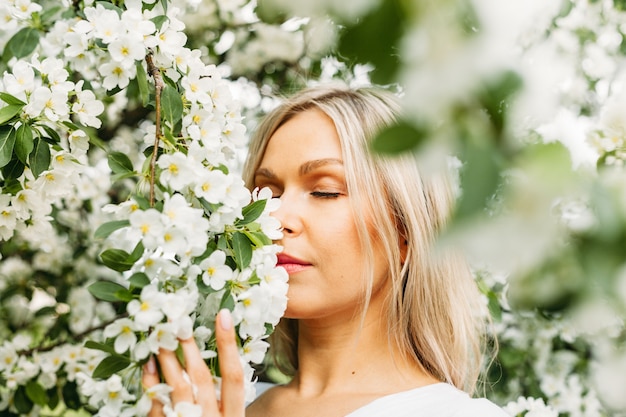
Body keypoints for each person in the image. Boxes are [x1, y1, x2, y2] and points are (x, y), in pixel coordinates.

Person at [142, 85, 509, 417]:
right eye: (265, 194)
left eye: (325, 191)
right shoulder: (210, 404)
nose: (276, 218)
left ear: (405, 234)